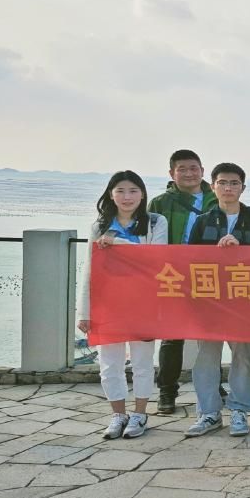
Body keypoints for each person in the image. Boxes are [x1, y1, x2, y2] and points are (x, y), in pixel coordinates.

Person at [77, 171, 168, 439]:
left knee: (142, 362)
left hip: (143, 304)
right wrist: (84, 312)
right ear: (111, 194)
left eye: (133, 191)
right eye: (120, 191)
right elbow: (89, 270)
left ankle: (139, 414)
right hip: (108, 304)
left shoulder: (155, 222)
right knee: (109, 363)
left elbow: (154, 259)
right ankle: (118, 414)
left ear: (142, 194)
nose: (127, 197)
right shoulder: (99, 226)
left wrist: (117, 242)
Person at [184, 163, 250, 437]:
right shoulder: (202, 220)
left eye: (234, 183)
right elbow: (189, 260)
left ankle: (239, 410)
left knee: (243, 358)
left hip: (243, 301)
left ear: (243, 187)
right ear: (213, 186)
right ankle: (209, 412)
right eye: (223, 183)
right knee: (206, 358)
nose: (228, 188)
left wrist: (242, 251)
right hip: (210, 301)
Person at [147, 149, 219, 415]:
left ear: (202, 170)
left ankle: (214, 385)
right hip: (172, 275)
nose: (189, 173)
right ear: (171, 173)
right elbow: (145, 238)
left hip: (210, 275)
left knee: (212, 334)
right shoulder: (160, 203)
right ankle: (167, 391)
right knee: (172, 336)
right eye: (182, 169)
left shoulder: (216, 199)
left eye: (194, 168)